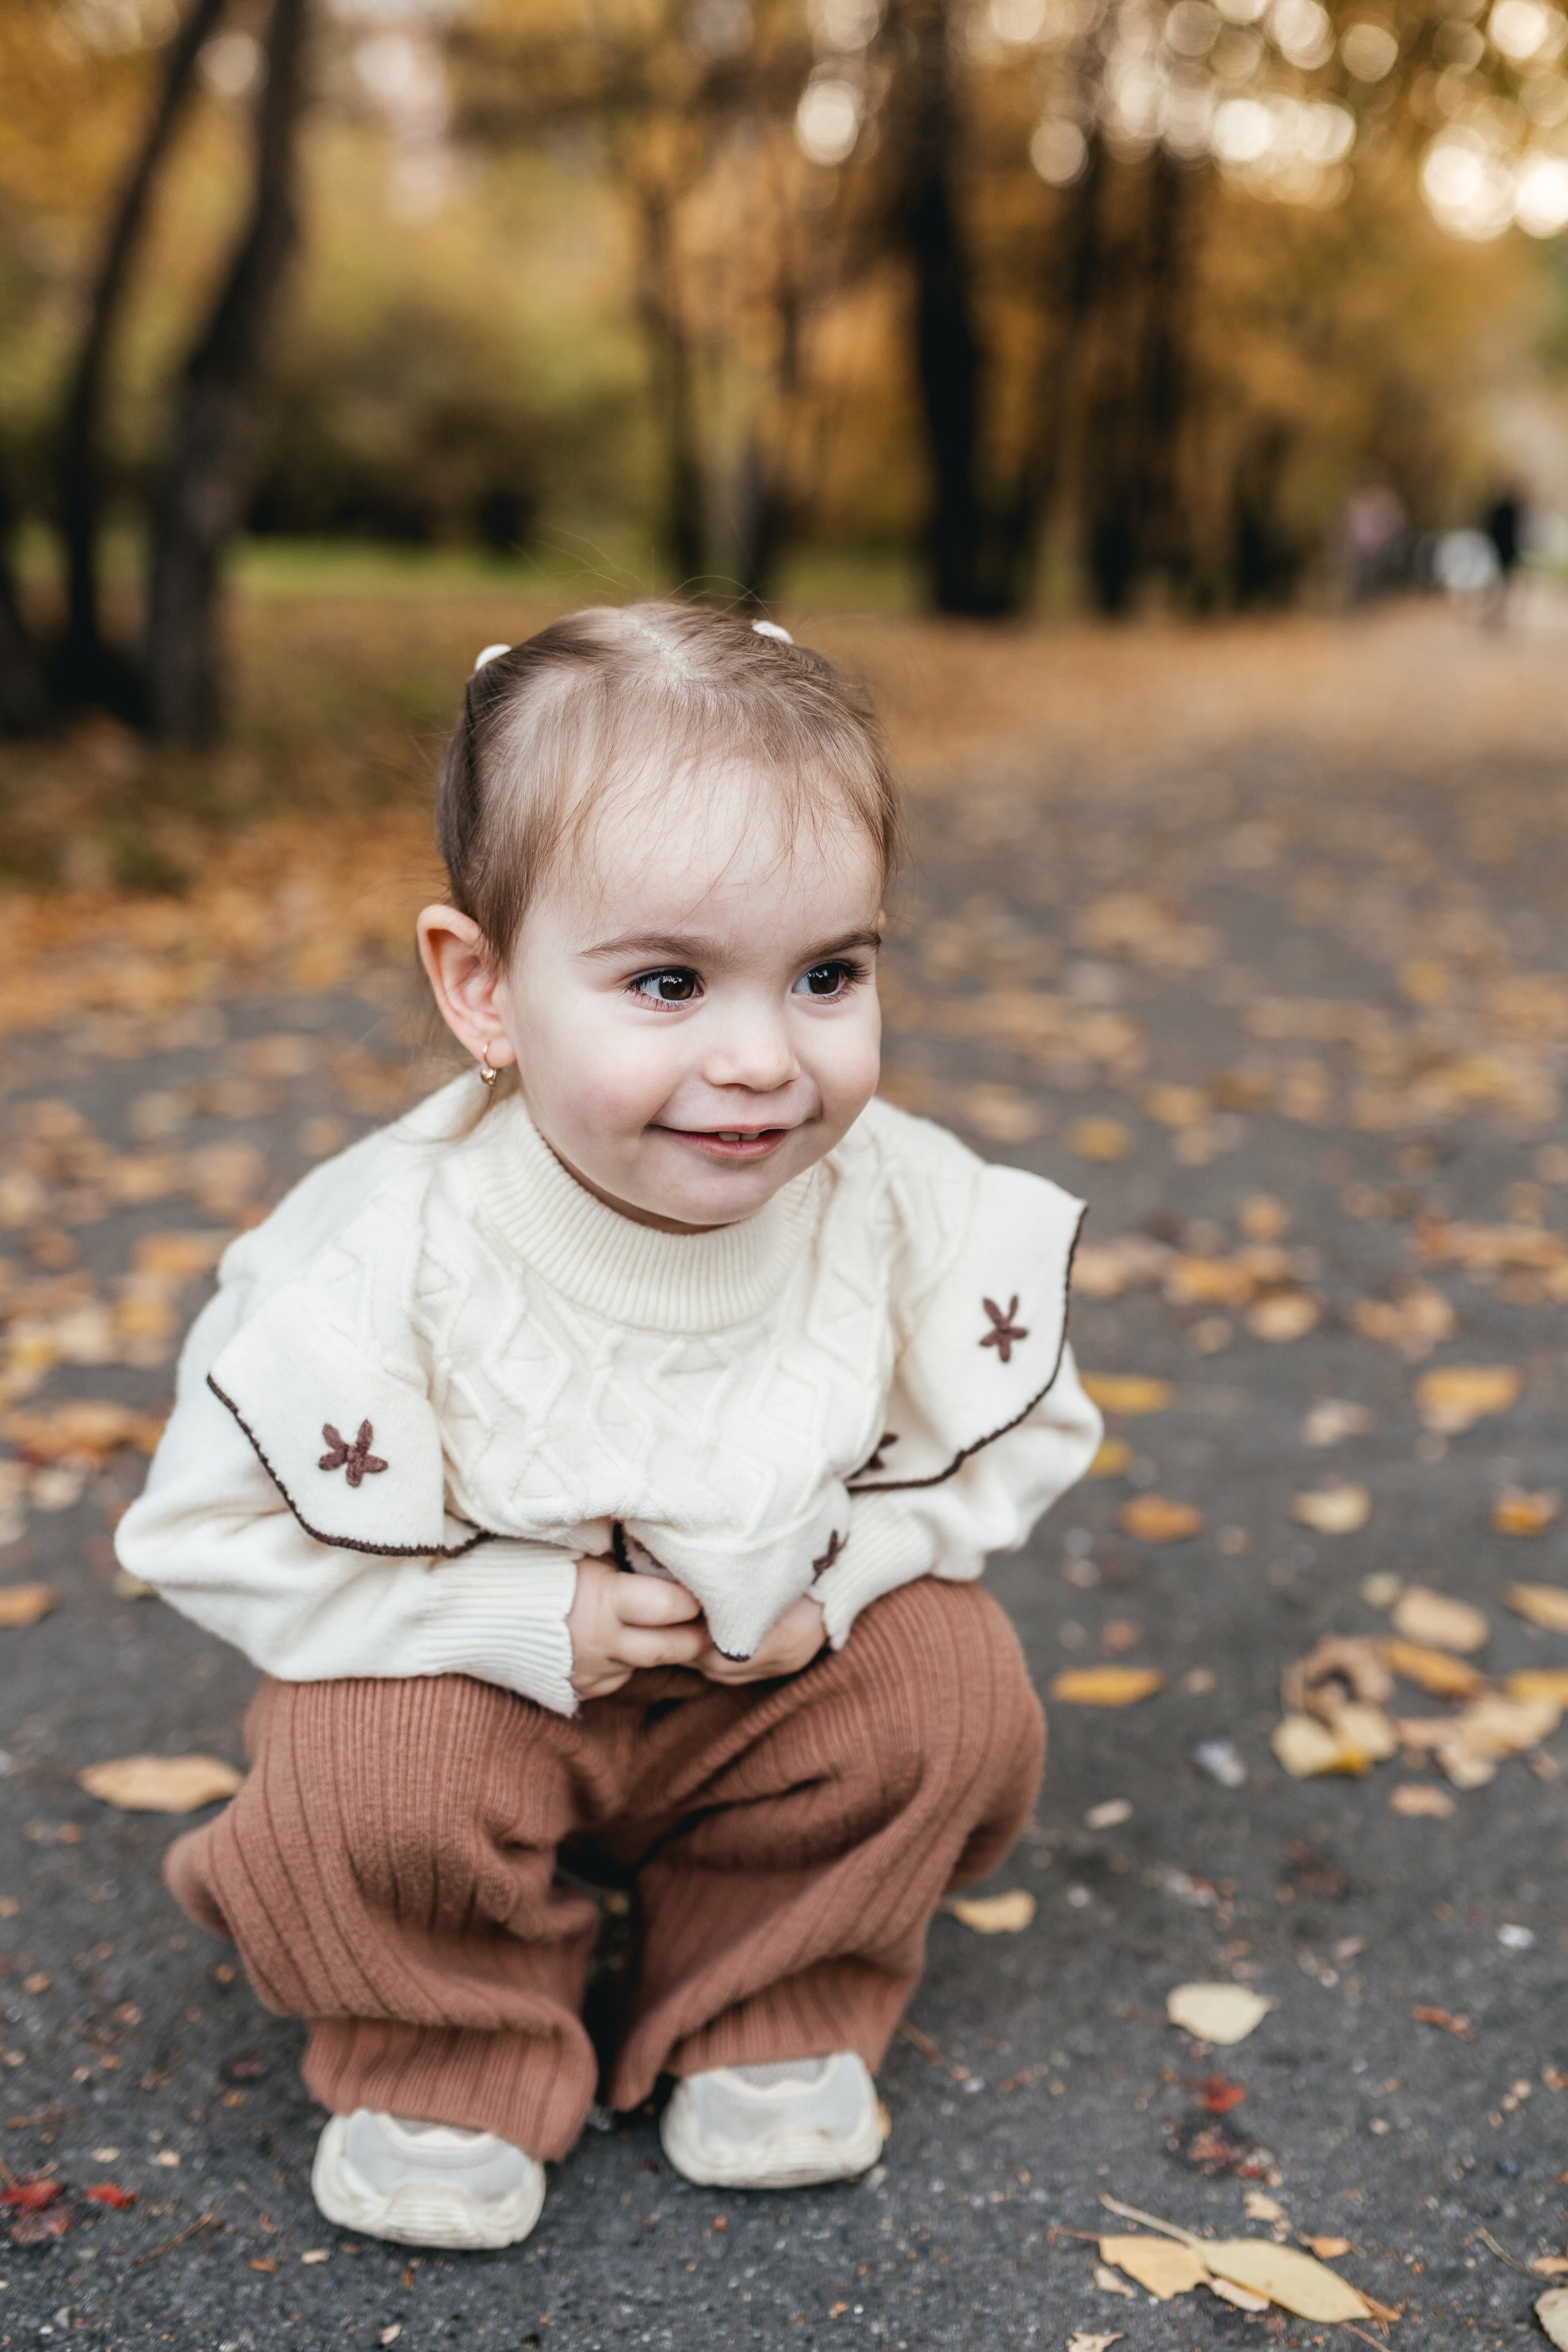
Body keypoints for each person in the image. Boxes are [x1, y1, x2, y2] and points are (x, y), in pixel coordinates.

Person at [115, 603, 1101, 2251]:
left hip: (763, 1686)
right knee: (363, 1777)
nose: (762, 1058)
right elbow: (201, 1535)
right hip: (481, 1702)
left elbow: (1020, 1439)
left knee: (950, 1688)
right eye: (667, 982)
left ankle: (765, 1986)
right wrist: (512, 1617)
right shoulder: (373, 1264)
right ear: (483, 989)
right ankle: (451, 2034)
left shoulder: (894, 1203)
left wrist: (853, 1572)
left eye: (829, 975)